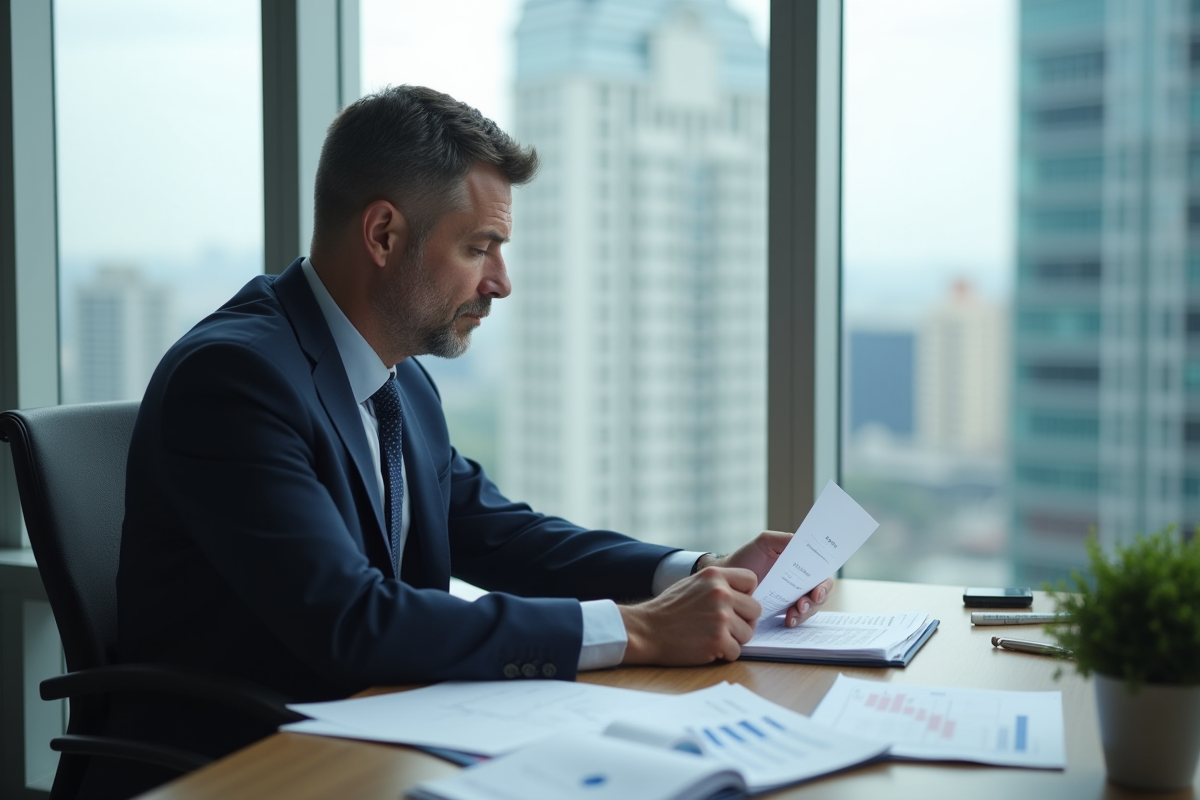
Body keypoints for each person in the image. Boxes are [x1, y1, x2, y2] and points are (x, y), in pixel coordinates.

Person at [94, 85, 832, 797]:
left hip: (374, 741)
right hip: (245, 768)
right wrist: (635, 633)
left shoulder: (397, 379)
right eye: (481, 248)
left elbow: (495, 530)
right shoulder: (236, 378)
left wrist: (689, 573)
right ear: (383, 234)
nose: (501, 283)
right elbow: (351, 619)